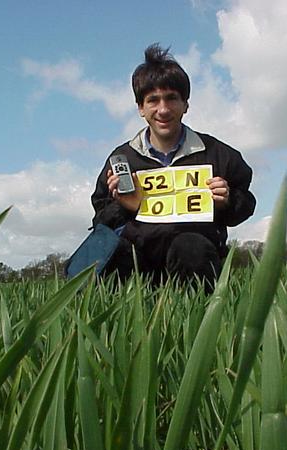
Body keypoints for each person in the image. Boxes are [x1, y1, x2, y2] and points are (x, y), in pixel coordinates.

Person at [90, 43, 256, 288]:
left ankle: (199, 317)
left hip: (193, 257)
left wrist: (228, 201)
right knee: (110, 254)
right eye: (153, 100)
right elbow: (99, 223)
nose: (163, 109)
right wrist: (122, 207)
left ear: (185, 104)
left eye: (171, 98)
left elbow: (246, 204)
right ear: (141, 108)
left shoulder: (220, 154)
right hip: (139, 260)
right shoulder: (122, 159)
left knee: (191, 247)